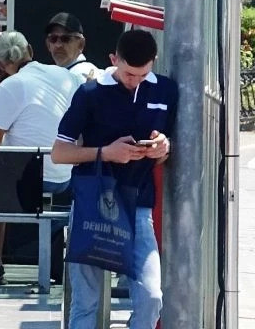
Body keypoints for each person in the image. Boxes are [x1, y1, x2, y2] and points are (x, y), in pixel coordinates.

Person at [52, 29, 176, 329]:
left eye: (142, 74)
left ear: (154, 62)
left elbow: (168, 150)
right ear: (113, 60)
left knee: (151, 296)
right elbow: (59, 153)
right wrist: (106, 153)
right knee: (86, 302)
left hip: (138, 204)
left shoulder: (165, 90)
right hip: (92, 204)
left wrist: (163, 147)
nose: (135, 81)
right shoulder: (90, 93)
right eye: (129, 74)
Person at [0, 31, 79, 285]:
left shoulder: (10, 86)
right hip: (65, 175)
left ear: (0, 63)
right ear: (31, 51)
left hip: (29, 180)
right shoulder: (66, 76)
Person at [44, 12, 101, 82]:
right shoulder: (57, 75)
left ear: (81, 44)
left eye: (66, 39)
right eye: (53, 39)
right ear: (48, 45)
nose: (58, 45)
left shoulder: (82, 73)